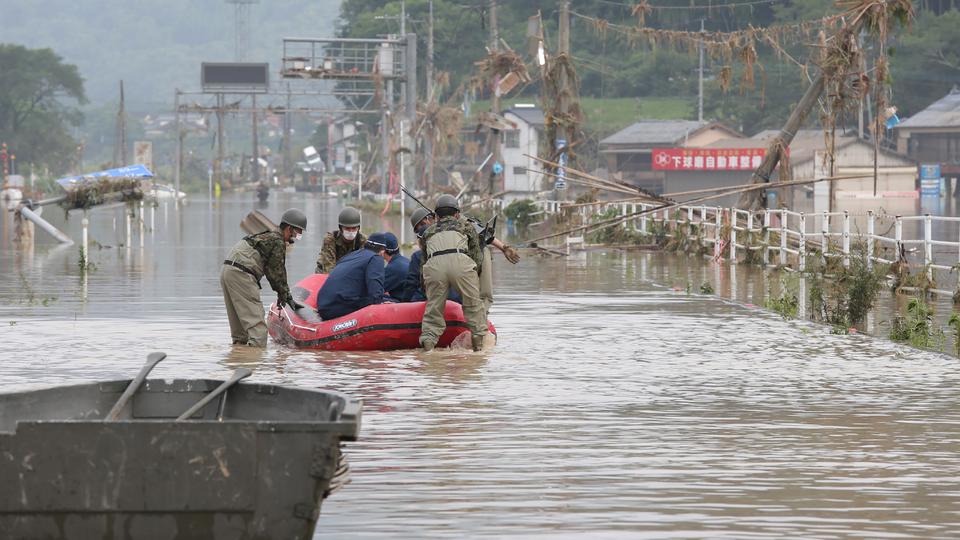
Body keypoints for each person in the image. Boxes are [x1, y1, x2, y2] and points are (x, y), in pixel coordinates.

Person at [221, 208, 306, 347]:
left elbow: (272, 272)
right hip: (242, 275)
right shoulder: (277, 241)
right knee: (258, 334)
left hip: (227, 271)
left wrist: (282, 295)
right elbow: (277, 273)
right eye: (298, 232)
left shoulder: (266, 236)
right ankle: (256, 362)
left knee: (240, 335)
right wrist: (287, 297)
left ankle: (239, 361)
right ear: (289, 228)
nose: (299, 236)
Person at [419, 195, 486, 352]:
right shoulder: (466, 226)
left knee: (433, 309)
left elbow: (423, 263)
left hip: (434, 265)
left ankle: (428, 347)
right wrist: (475, 277)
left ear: (436, 216)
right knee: (473, 305)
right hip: (460, 261)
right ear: (457, 214)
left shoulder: (427, 232)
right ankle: (479, 348)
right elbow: (476, 256)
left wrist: (425, 286)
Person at [316, 232, 389, 321]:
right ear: (382, 251)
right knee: (390, 301)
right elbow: (375, 294)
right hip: (340, 307)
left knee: (384, 298)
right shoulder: (376, 258)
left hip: (323, 306)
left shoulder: (352, 255)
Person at [402, 208, 462, 304]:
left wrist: (403, 304)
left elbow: (411, 284)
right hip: (457, 298)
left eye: (422, 225)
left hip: (438, 300)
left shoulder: (418, 256)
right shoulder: (454, 244)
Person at [315, 206, 366, 274]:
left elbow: (363, 264)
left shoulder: (362, 240)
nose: (351, 231)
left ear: (358, 228)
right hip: (329, 273)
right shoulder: (330, 239)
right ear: (341, 228)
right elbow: (329, 267)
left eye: (354, 228)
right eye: (347, 228)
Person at [382, 232, 410, 300]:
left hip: (407, 304)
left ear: (382, 250)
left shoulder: (393, 268)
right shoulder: (406, 260)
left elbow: (376, 290)